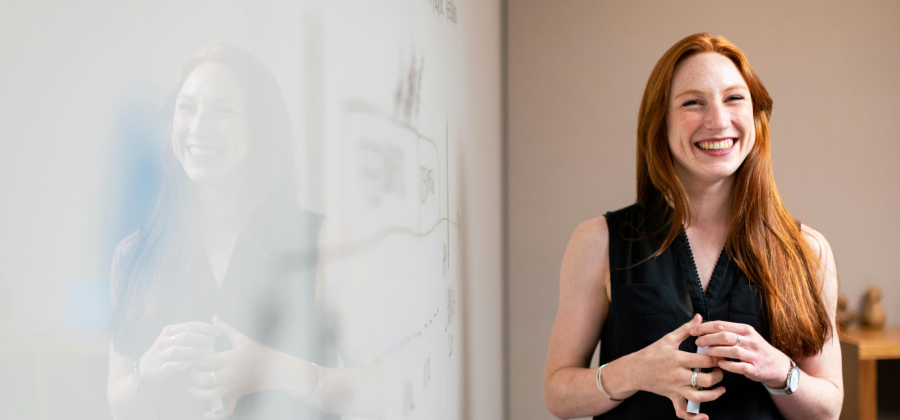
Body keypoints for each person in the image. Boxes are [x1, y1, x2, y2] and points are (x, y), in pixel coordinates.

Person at [543, 33, 842, 420]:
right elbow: (558, 395)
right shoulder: (597, 242)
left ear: (756, 116)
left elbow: (829, 409)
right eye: (692, 103)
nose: (718, 121)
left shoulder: (808, 250)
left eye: (734, 99)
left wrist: (780, 372)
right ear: (660, 124)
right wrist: (633, 372)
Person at [106, 45, 381, 420]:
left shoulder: (325, 244)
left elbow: (379, 390)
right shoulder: (135, 255)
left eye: (223, 111)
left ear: (260, 128)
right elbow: (119, 404)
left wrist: (275, 370)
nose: (198, 127)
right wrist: (148, 370)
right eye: (186, 108)